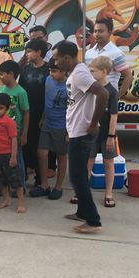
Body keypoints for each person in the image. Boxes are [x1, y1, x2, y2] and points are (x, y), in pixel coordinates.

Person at [56, 40, 108, 234]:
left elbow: (103, 94)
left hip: (83, 132)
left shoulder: (79, 74)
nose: (56, 62)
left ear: (67, 58)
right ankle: (81, 212)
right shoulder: (76, 73)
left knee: (77, 177)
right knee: (77, 176)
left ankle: (93, 221)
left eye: (57, 58)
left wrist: (93, 124)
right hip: (76, 130)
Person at [29, 58, 68, 200]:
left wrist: (69, 130)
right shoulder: (48, 80)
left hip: (61, 125)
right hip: (47, 123)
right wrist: (43, 117)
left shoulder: (69, 85)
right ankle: (44, 185)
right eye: (50, 70)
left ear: (64, 71)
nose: (51, 74)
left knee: (61, 156)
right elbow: (47, 100)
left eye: (55, 71)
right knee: (42, 153)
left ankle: (58, 187)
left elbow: (72, 109)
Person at [87, 56, 119, 208]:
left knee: (108, 162)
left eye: (93, 71)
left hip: (106, 133)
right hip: (91, 132)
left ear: (104, 72)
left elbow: (113, 115)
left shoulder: (112, 92)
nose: (90, 73)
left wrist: (111, 136)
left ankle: (108, 193)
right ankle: (83, 192)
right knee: (88, 161)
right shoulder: (91, 88)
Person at [19, 39, 49, 189]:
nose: (27, 54)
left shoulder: (49, 70)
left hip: (41, 115)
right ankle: (22, 177)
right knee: (25, 146)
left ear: (38, 52)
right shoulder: (25, 69)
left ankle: (40, 179)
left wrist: (45, 115)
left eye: (29, 51)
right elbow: (21, 90)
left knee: (39, 149)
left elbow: (50, 94)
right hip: (26, 113)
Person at [0, 93, 25, 213]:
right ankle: (6, 199)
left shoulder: (9, 122)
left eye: (0, 108)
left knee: (16, 180)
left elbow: (14, 140)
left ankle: (20, 203)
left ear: (7, 109)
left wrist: (13, 156)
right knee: (1, 179)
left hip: (8, 155)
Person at [0, 60, 30, 187]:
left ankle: (20, 186)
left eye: (2, 74)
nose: (0, 77)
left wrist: (24, 134)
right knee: (4, 160)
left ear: (11, 74)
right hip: (2, 133)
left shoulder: (21, 92)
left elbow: (26, 113)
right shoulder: (1, 89)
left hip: (16, 133)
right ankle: (6, 186)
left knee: (17, 159)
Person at [85, 18, 133, 95]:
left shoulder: (116, 53)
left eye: (100, 31)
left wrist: (116, 98)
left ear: (110, 32)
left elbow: (128, 77)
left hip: (107, 101)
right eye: (95, 31)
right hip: (89, 100)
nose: (96, 34)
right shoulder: (88, 53)